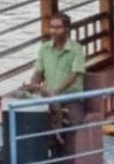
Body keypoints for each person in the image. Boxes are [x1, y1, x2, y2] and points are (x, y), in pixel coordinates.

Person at [28, 11, 86, 148]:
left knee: (72, 124)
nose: (54, 31)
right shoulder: (44, 48)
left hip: (70, 97)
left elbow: (73, 76)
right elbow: (39, 71)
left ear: (66, 29)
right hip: (49, 97)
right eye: (52, 27)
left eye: (58, 27)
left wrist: (57, 90)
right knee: (34, 121)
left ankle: (67, 155)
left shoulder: (76, 49)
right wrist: (33, 85)